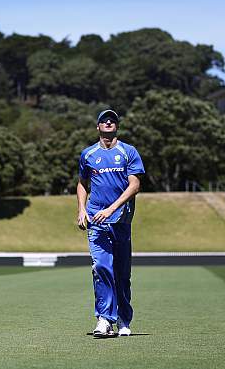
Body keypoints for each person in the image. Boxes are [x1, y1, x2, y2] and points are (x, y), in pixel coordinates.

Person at [77, 109, 145, 338]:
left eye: (112, 120)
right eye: (104, 120)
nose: (108, 122)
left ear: (117, 126)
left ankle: (124, 319)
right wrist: (81, 210)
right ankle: (104, 319)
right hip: (97, 220)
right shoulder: (88, 154)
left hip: (121, 220)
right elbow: (82, 183)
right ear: (97, 127)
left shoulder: (129, 152)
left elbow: (134, 185)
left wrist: (112, 209)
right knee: (101, 267)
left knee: (122, 274)